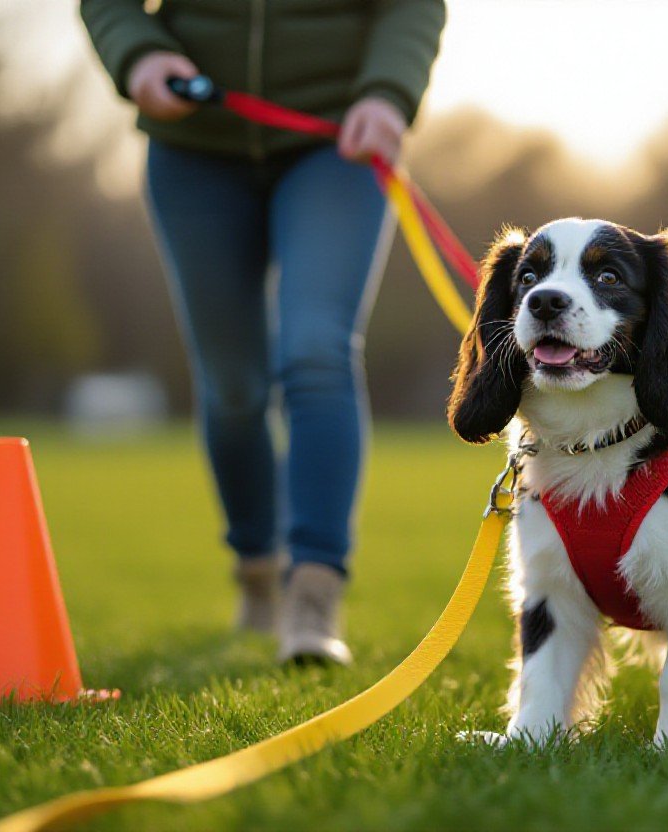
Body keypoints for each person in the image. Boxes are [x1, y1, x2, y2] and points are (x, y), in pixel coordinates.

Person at [80, 0, 446, 665]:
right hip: (195, 146)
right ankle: (256, 569)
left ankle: (313, 594)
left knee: (316, 350)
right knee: (233, 386)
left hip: (336, 142)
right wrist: (139, 53)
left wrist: (388, 93)